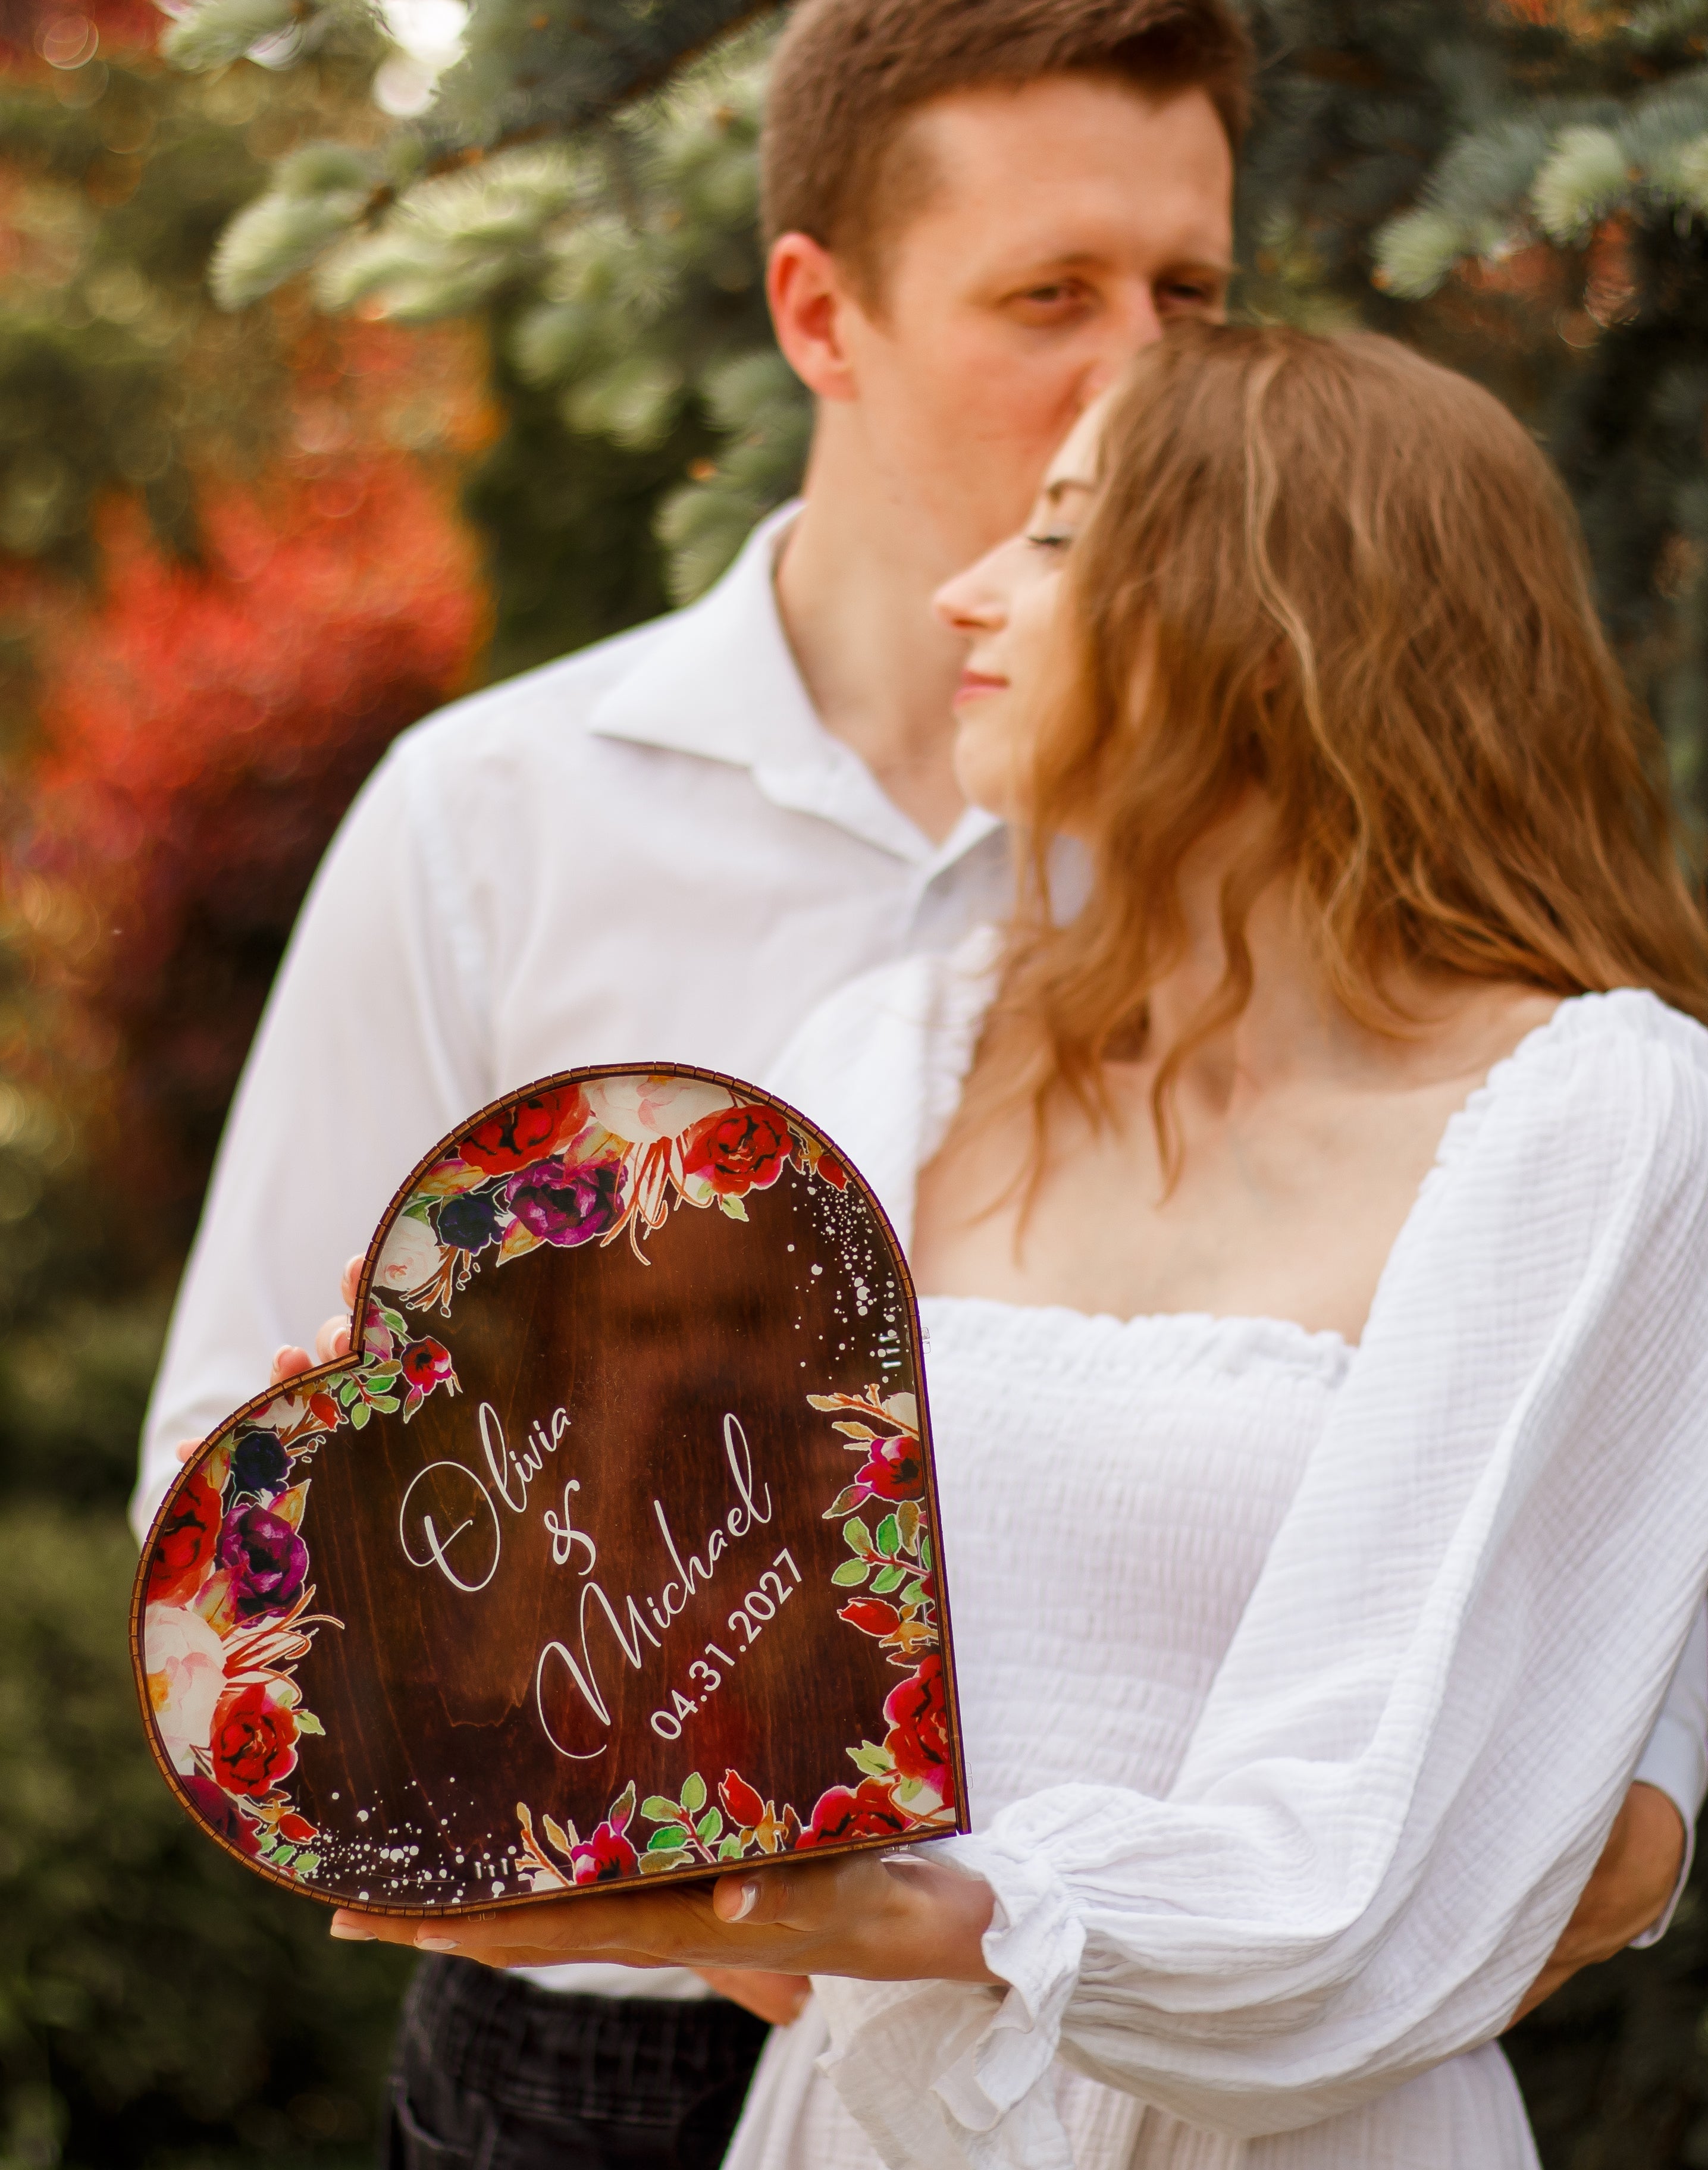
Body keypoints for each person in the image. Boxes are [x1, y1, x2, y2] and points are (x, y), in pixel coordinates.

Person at [133, 0, 1698, 2149]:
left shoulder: (1411, 981)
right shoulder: (501, 819)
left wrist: (1582, 1835)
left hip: (1186, 2046)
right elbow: (255, 1460)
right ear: (824, 311)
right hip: (623, 2047)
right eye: (1050, 296)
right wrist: (451, 1548)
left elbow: (1584, 1624)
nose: (1138, 359)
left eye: (1189, 296)